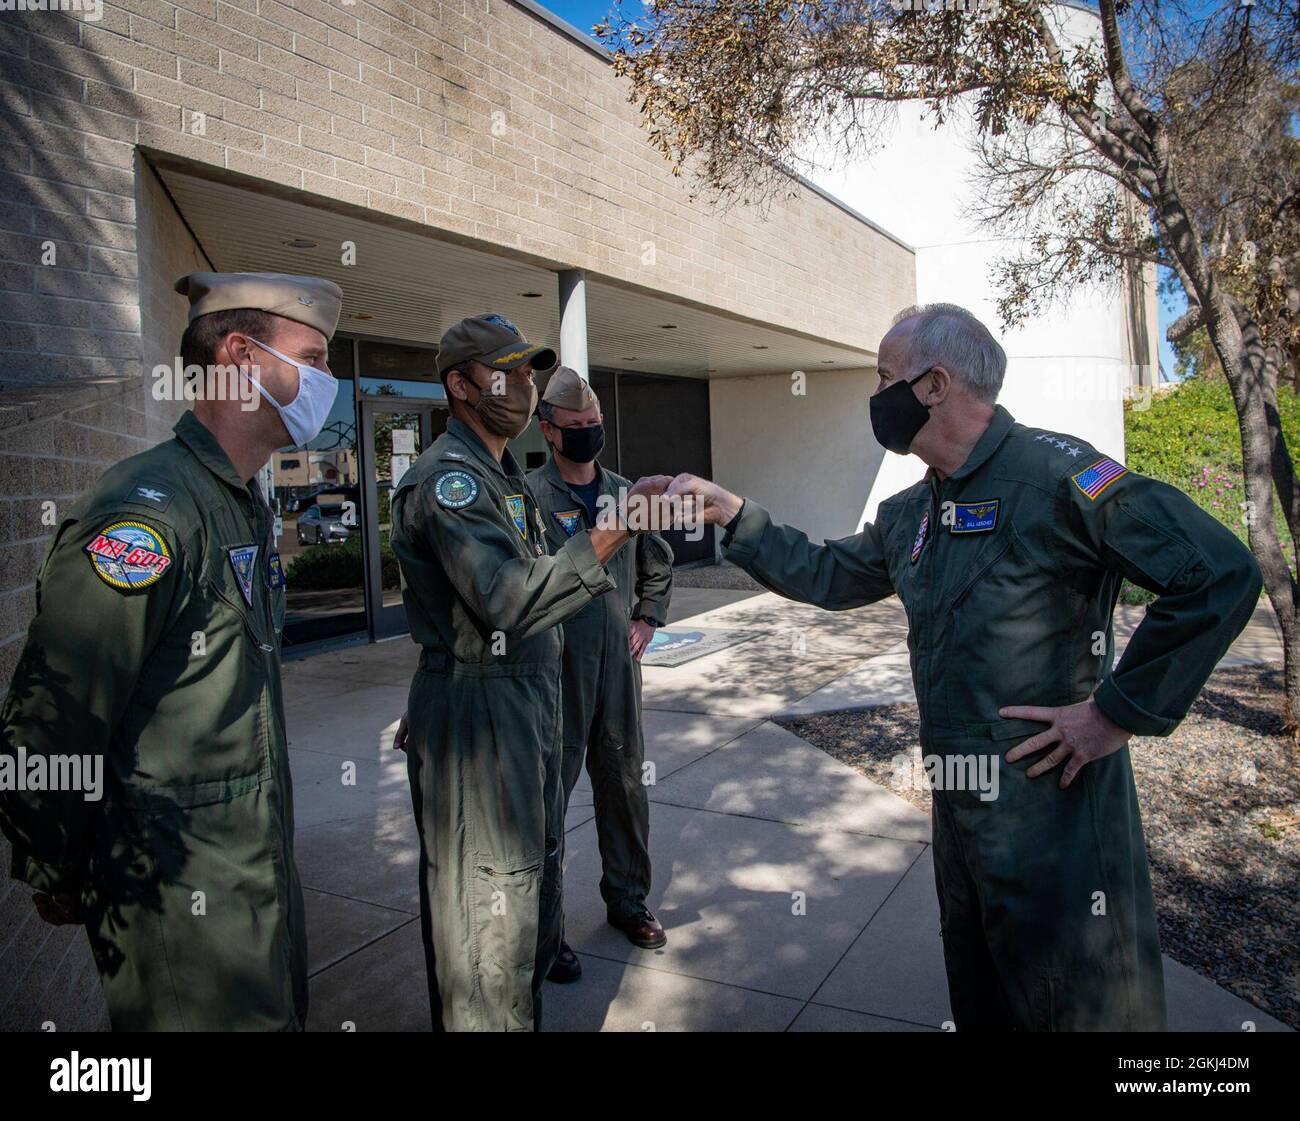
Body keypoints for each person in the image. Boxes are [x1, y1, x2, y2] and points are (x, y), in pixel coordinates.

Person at [654, 303, 1262, 1031]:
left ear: (934, 383)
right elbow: (827, 574)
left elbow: (1217, 574)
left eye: (884, 378)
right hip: (963, 818)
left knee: (1077, 1001)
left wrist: (1115, 714)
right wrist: (735, 513)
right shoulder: (912, 511)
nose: (875, 398)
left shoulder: (1057, 475)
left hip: (1057, 822)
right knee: (984, 998)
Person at [0, 271, 344, 1030]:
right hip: (181, 918)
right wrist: (56, 861)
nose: (328, 382)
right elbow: (55, 716)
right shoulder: (147, 512)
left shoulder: (240, 501)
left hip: (253, 899)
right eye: (314, 358)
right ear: (241, 355)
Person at [390, 315, 662, 1031]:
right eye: (507, 372)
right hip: (497, 713)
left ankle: (598, 916)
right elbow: (502, 599)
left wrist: (644, 611)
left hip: (541, 695)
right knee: (492, 911)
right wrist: (611, 530)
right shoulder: (452, 482)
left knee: (540, 862)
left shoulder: (501, 479)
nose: (522, 384)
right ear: (461, 384)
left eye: (527, 371)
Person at [528, 367, 674, 982]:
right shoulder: (527, 494)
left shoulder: (625, 493)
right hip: (555, 667)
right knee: (547, 801)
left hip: (616, 668)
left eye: (596, 425)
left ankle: (628, 902)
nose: (589, 433)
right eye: (577, 426)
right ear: (548, 430)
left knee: (623, 788)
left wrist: (646, 617)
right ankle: (547, 931)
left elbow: (658, 564)